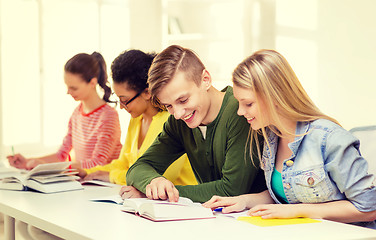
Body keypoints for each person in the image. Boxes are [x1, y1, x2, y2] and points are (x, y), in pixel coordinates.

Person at [203, 49, 376, 228]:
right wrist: (244, 200)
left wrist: (296, 211)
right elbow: (288, 191)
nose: (240, 112)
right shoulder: (271, 137)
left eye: (248, 104)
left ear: (274, 97)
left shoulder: (329, 138)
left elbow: (369, 208)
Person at [123, 45, 266, 203]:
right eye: (168, 106)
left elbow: (231, 190)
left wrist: (165, 193)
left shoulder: (240, 113)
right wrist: (155, 182)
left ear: (205, 80)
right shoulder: (179, 122)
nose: (177, 114)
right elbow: (138, 168)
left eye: (183, 100)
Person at [79, 49, 197, 188]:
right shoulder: (136, 119)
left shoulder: (172, 120)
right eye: (119, 100)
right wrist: (87, 172)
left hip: (180, 202)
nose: (122, 107)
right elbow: (122, 163)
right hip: (147, 201)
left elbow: (160, 176)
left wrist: (111, 176)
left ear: (147, 92)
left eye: (125, 100)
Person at [7, 52, 122, 170]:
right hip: (85, 183)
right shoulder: (77, 113)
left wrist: (45, 165)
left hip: (103, 184)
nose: (68, 92)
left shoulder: (108, 116)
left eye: (73, 88)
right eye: (67, 86)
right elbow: (61, 155)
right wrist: (27, 162)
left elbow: (97, 164)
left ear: (92, 83)